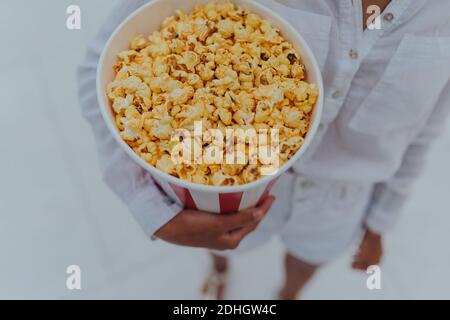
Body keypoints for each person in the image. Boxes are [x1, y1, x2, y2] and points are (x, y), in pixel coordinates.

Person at [78, 0, 450, 299]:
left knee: (306, 264)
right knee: (220, 246)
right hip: (225, 194)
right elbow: (100, 68)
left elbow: (421, 132)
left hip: (340, 204)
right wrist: (151, 207)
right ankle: (219, 270)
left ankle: (287, 296)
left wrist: (381, 220)